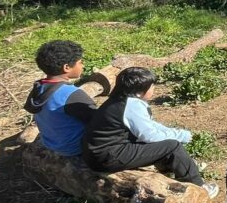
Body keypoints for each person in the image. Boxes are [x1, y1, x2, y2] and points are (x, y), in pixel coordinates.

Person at [83, 67, 215, 196]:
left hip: (99, 154)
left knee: (164, 143)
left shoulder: (119, 99)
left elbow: (149, 125)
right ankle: (199, 187)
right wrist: (181, 136)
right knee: (172, 146)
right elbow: (150, 136)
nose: (153, 89)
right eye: (152, 86)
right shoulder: (132, 105)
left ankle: (172, 169)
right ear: (140, 91)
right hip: (107, 157)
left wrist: (175, 132)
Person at [24, 40, 96, 157]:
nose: (83, 65)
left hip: (51, 143)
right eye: (80, 62)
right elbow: (97, 120)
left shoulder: (39, 87)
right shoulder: (71, 94)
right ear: (66, 67)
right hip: (75, 148)